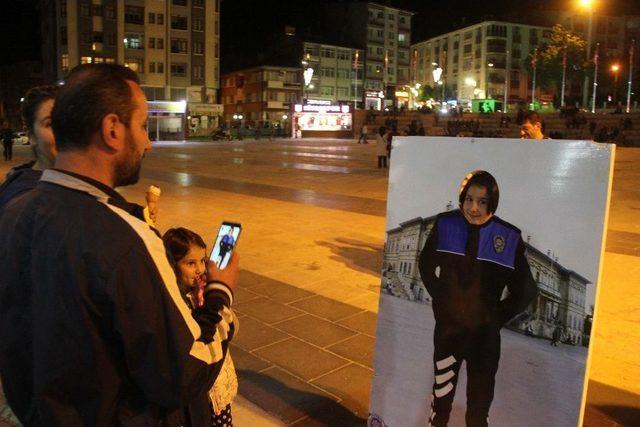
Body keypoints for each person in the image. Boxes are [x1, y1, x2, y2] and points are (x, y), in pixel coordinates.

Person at [0, 63, 239, 425]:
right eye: (143, 127)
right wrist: (221, 291)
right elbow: (185, 370)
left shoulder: (13, 212)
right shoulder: (125, 238)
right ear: (113, 129)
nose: (148, 142)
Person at [419, 170, 538, 427]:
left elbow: (526, 290)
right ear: (461, 198)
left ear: (491, 203)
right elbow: (425, 264)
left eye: (482, 201)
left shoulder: (507, 238)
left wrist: (495, 318)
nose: (473, 208)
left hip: (484, 342)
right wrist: (441, 298)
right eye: (468, 199)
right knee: (440, 405)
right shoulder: (445, 224)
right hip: (448, 335)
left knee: (478, 412)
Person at [163, 228, 239, 426]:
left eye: (203, 261)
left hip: (217, 383)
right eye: (190, 263)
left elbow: (232, 329)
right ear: (172, 265)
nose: (200, 269)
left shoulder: (204, 294)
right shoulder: (175, 303)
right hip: (199, 391)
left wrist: (213, 298)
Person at [0, 85, 57, 210]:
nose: (63, 131)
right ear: (31, 136)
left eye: (67, 121)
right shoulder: (24, 200)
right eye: (51, 124)